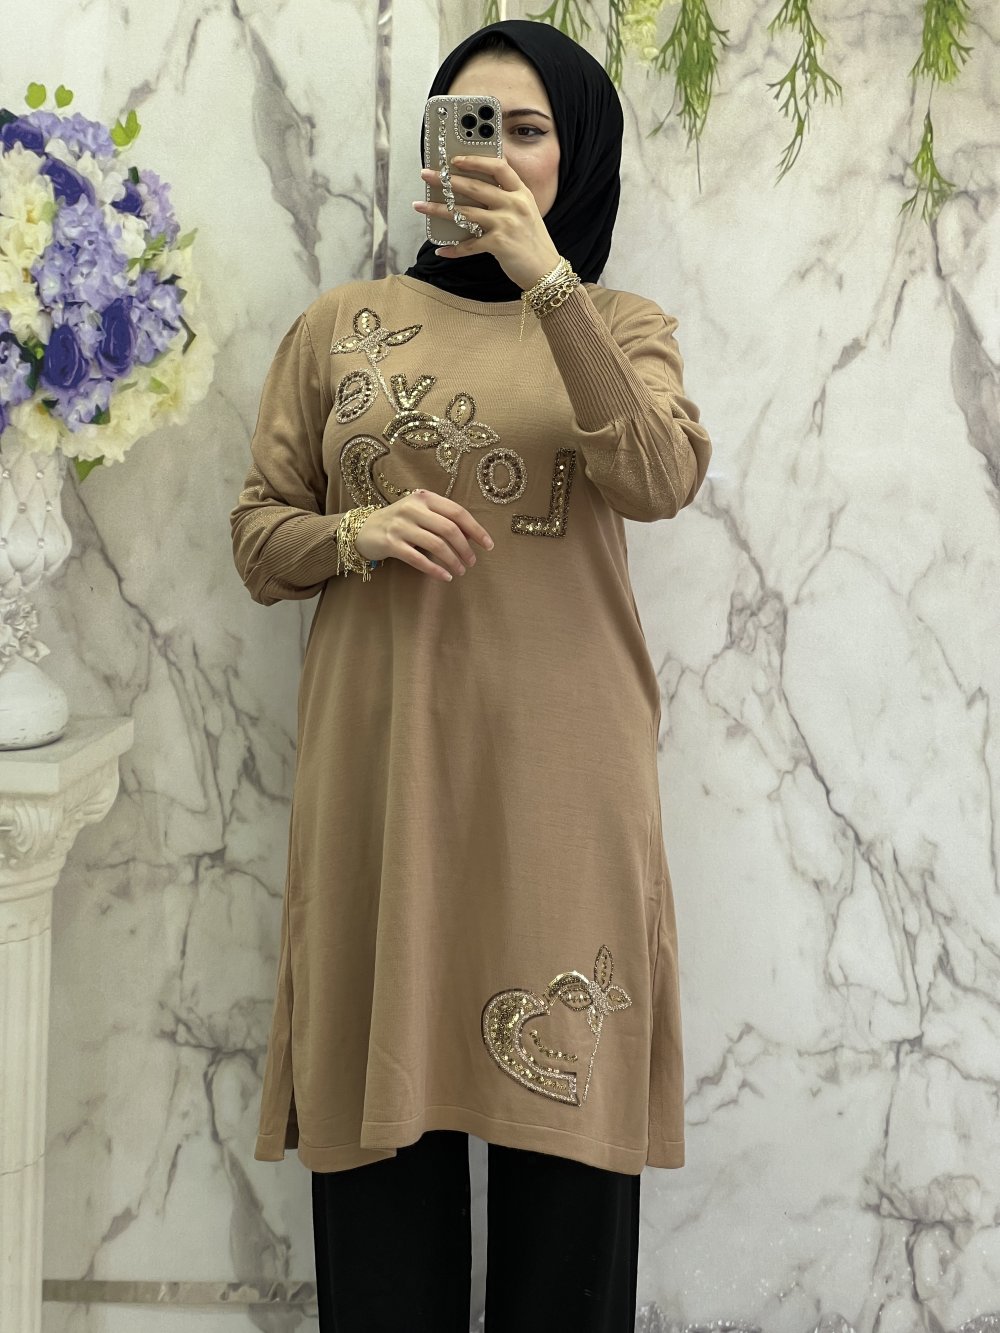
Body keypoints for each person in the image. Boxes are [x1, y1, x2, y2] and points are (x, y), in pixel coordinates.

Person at [230, 18, 712, 1333]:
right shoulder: (342, 326)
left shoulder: (621, 325)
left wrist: (548, 282)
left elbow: (659, 477)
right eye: (470, 125)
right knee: (382, 1174)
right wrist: (356, 532)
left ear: (580, 158)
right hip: (385, 782)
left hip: (561, 787)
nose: (493, 154)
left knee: (568, 1176)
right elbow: (258, 539)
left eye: (529, 129)